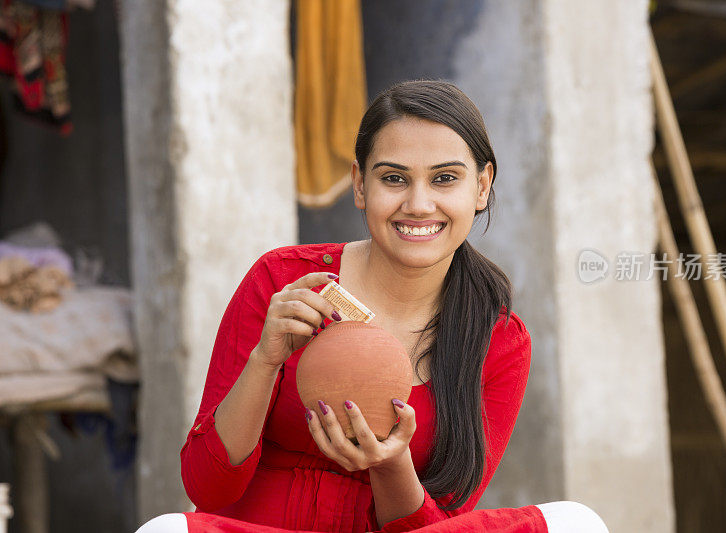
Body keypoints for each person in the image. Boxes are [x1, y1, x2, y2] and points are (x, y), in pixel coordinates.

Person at [137, 80, 610, 532]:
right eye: (394, 179)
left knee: (580, 525)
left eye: (445, 179)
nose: (419, 204)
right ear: (360, 185)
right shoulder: (284, 283)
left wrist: (390, 463)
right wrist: (265, 361)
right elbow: (207, 488)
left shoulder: (497, 338)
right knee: (163, 531)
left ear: (482, 187)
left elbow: (441, 526)